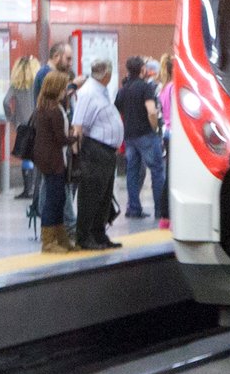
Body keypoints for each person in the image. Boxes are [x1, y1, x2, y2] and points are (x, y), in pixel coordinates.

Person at [72, 58, 124, 250]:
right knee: (91, 196)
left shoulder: (99, 91)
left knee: (104, 196)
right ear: (107, 74)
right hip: (94, 151)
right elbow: (78, 125)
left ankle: (99, 234)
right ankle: (84, 237)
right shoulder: (88, 92)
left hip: (106, 152)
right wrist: (77, 157)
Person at [115, 55, 164, 221]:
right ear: (142, 69)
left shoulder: (124, 89)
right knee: (157, 171)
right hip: (146, 134)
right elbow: (151, 110)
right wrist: (155, 127)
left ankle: (134, 209)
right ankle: (160, 210)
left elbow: (117, 109)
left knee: (132, 172)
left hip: (129, 136)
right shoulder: (145, 88)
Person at [32, 70, 72, 252]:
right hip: (54, 161)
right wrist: (77, 137)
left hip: (46, 159)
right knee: (54, 200)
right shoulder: (54, 110)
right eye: (64, 87)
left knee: (58, 197)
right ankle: (48, 241)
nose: (65, 90)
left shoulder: (43, 107)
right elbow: (61, 139)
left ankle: (59, 237)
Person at [5, 55, 40, 201]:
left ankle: (27, 189)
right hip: (38, 123)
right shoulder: (37, 83)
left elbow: (6, 101)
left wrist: (12, 118)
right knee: (37, 155)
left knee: (26, 155)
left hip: (23, 125)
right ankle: (36, 188)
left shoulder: (16, 85)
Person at [156, 53, 174, 228]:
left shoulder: (163, 88)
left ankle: (165, 216)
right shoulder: (175, 88)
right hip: (176, 134)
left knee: (169, 174)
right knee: (174, 177)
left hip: (167, 132)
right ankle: (168, 214)